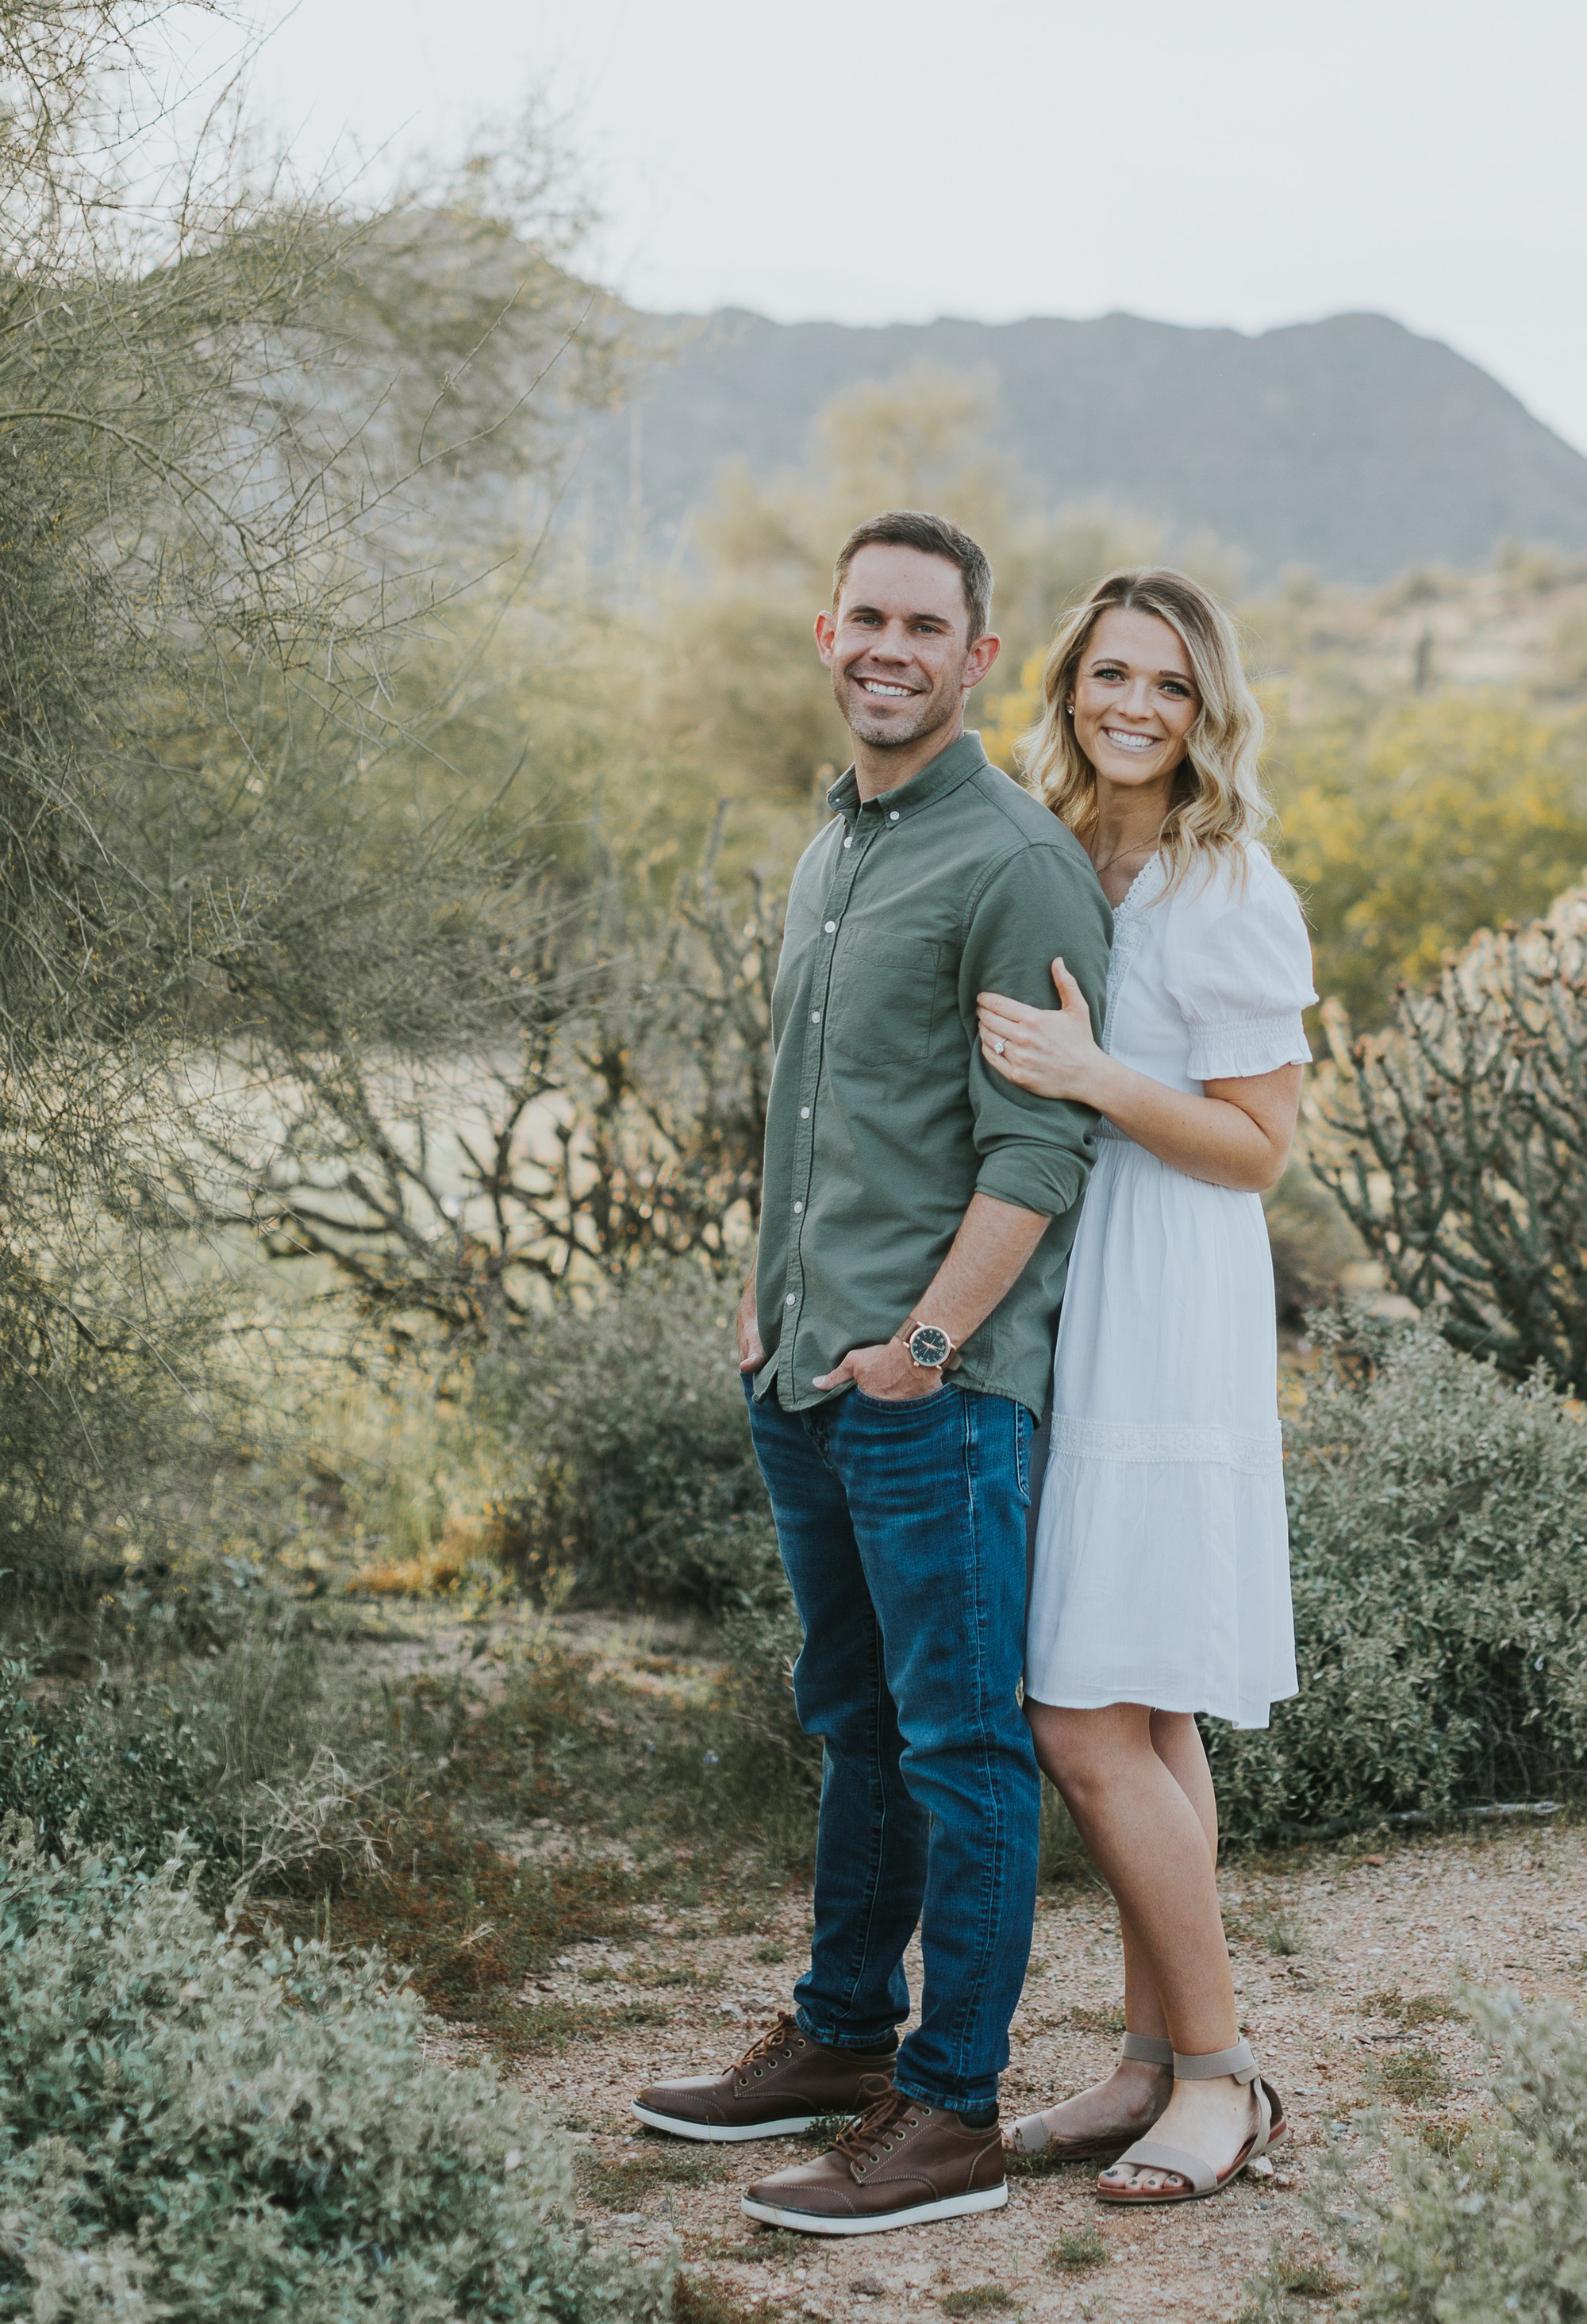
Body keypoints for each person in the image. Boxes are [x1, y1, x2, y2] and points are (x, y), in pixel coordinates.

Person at [629, 509, 1113, 2238]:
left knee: (961, 1747)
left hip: (937, 1398)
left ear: (978, 659)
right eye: (865, 621)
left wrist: (921, 1348)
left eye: (926, 625)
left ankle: (951, 2117)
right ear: (822, 639)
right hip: (804, 1378)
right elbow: (814, 1108)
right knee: (850, 1724)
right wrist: (769, 1302)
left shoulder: (1011, 861)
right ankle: (841, 2038)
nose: (889, 649)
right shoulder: (833, 843)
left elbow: (1036, 1152)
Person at [976, 567, 1314, 2210]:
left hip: (1168, 1299)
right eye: (1108, 674)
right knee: (1147, 1699)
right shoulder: (1049, 852)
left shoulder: (1225, 881)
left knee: (1079, 1708)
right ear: (1066, 687)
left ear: (1204, 713)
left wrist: (1102, 1080)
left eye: (1166, 686)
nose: (1132, 705)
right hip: (1068, 1297)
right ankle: (1137, 2063)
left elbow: (1257, 1148)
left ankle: (1221, 2073)